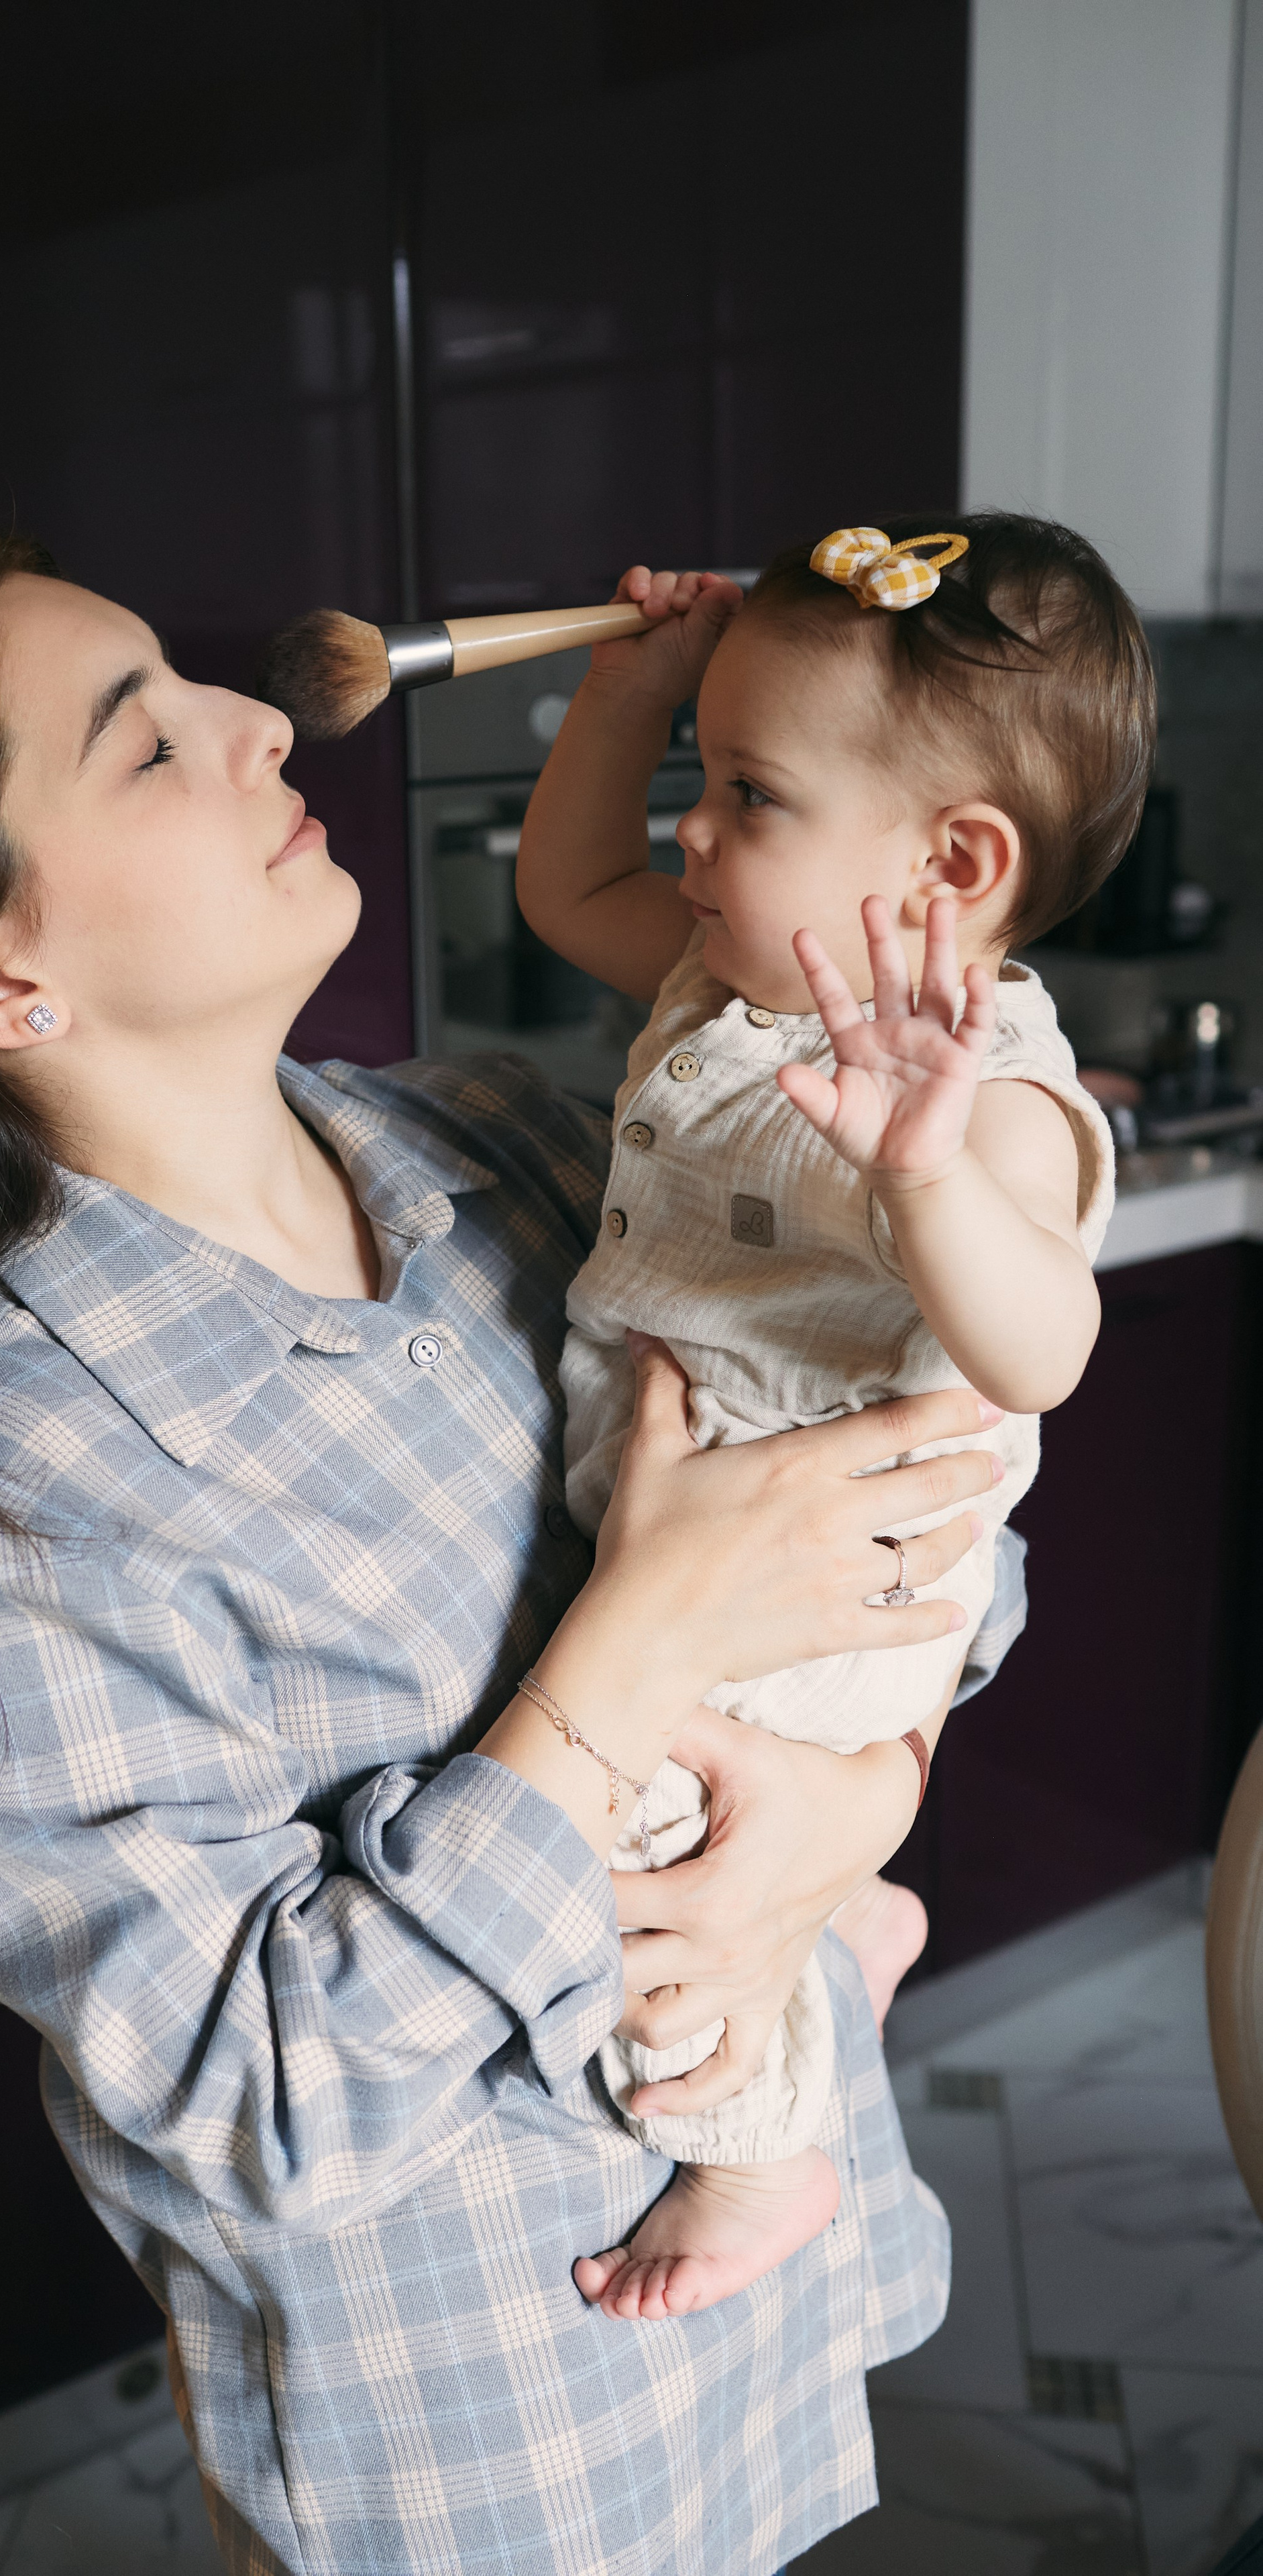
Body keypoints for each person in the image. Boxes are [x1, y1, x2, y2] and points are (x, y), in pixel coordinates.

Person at [0, 531, 1023, 2576]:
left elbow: (950, 1533)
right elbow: (257, 2117)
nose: (248, 719)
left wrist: (851, 1805)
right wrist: (622, 1667)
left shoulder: (519, 1150)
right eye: (141, 748)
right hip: (505, 2472)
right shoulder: (0, 1529)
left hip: (771, 2322)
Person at [517, 515, 1150, 2326]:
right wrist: (631, 699)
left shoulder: (994, 1097)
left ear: (951, 865)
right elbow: (567, 892)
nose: (694, 833)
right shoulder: (733, 981)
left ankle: (759, 2152)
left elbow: (1045, 1345)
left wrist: (927, 1178)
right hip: (715, 1563)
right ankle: (850, 1927)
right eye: (702, 777)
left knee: (643, 1864)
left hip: (827, 1592)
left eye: (750, 792)